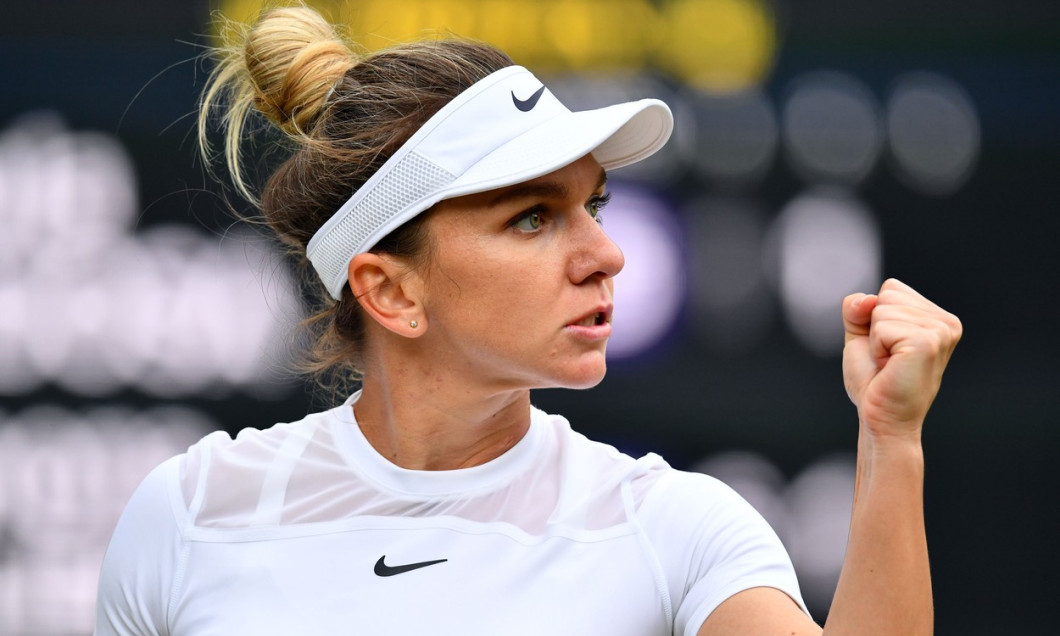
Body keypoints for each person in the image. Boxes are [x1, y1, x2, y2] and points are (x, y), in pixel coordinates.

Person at [94, 5, 962, 635]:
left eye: (595, 204)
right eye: (534, 218)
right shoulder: (190, 514)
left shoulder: (672, 526)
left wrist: (892, 440)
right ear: (390, 291)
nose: (608, 254)